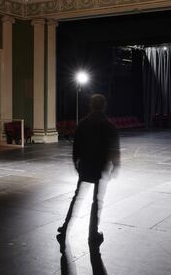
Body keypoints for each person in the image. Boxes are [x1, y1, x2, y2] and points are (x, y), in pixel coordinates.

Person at [57, 94, 120, 251]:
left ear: (91, 105)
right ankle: (93, 234)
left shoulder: (83, 124)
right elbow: (113, 148)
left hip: (85, 166)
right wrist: (116, 165)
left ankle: (65, 229)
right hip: (100, 167)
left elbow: (75, 147)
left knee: (76, 199)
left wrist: (76, 163)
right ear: (104, 106)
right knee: (97, 202)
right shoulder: (109, 125)